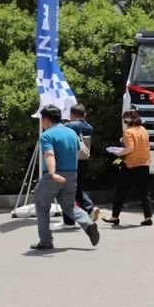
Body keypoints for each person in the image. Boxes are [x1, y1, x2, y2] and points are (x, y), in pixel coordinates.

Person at [30, 105, 101, 251]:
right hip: (72, 174)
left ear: (46, 120)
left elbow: (49, 154)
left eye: (42, 119)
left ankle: (46, 241)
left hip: (54, 176)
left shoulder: (47, 135)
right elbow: (78, 151)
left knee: (42, 206)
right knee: (69, 207)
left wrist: (52, 173)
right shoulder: (71, 133)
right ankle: (88, 224)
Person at [103, 109, 153, 226]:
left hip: (131, 165)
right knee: (144, 192)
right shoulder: (143, 130)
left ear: (126, 120)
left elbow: (130, 148)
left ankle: (114, 217)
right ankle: (148, 217)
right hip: (144, 164)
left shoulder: (128, 132)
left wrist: (118, 152)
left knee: (120, 190)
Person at [65, 104, 96, 218]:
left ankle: (89, 208)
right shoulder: (89, 127)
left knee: (69, 188)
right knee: (78, 187)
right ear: (84, 114)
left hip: (72, 160)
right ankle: (88, 209)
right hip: (84, 158)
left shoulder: (70, 125)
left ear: (71, 114)